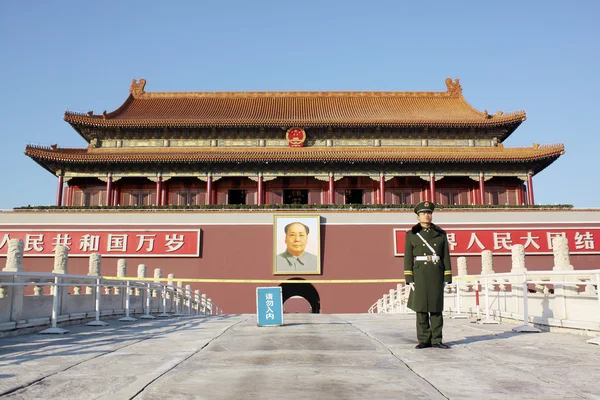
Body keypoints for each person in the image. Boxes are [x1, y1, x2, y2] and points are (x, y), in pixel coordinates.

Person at [404, 201, 452, 349]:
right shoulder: (412, 234)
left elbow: (445, 256)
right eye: (424, 213)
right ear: (418, 217)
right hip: (420, 273)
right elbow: (408, 257)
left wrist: (447, 276)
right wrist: (409, 278)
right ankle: (424, 339)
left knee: (436, 308)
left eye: (429, 213)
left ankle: (437, 339)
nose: (427, 215)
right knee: (421, 309)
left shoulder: (440, 233)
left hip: (436, 272)